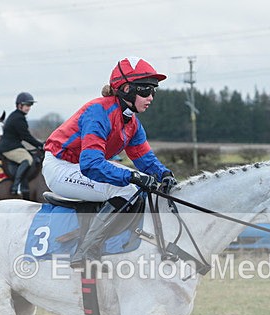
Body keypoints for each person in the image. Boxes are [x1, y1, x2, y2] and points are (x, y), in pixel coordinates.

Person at [43, 56, 175, 268]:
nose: (150, 97)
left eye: (154, 91)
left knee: (141, 187)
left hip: (81, 167)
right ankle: (86, 252)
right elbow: (91, 164)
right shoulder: (98, 111)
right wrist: (131, 175)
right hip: (60, 166)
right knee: (128, 189)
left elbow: (144, 158)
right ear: (125, 90)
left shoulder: (132, 123)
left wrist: (165, 174)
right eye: (145, 90)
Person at [0, 92, 44, 195]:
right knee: (27, 159)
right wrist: (40, 145)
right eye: (27, 105)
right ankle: (16, 186)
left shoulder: (17, 115)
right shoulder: (18, 118)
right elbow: (26, 136)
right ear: (19, 105)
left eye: (30, 106)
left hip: (13, 145)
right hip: (8, 148)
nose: (28, 108)